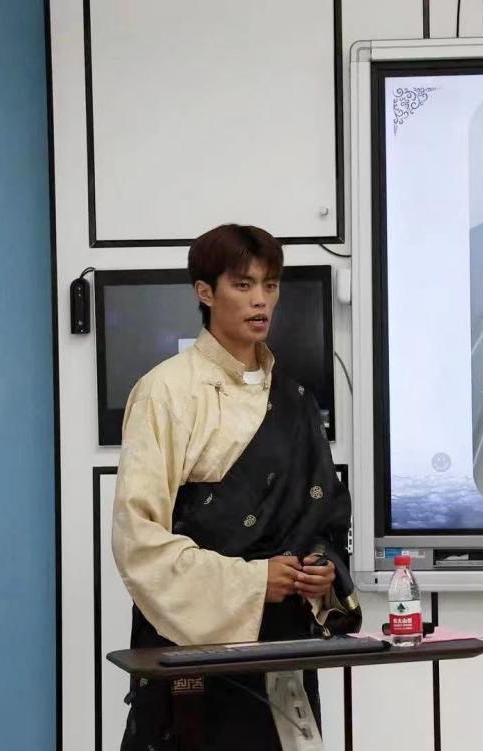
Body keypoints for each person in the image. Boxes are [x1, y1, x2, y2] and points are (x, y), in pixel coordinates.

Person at [112, 224, 360, 750]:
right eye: (243, 285)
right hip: (192, 640)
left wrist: (322, 573)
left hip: (285, 640)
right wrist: (251, 580)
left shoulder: (295, 398)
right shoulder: (165, 392)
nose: (260, 300)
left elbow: (326, 519)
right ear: (205, 292)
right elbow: (138, 539)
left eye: (270, 285)